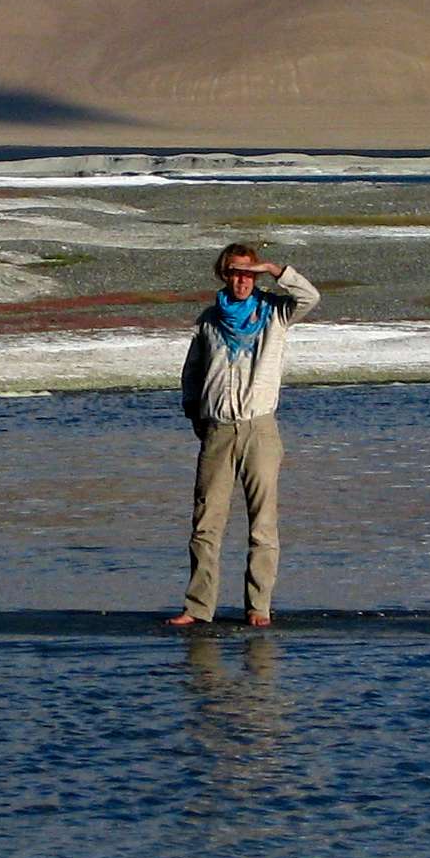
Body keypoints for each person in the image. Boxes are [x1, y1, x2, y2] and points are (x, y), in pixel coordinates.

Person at [165, 242, 319, 627]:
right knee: (205, 523)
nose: (242, 282)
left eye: (249, 274)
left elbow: (310, 296)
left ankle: (258, 607)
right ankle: (198, 608)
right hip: (217, 430)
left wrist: (274, 269)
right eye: (235, 273)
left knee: (262, 523)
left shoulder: (274, 314)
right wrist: (196, 415)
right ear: (224, 275)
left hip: (260, 430)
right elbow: (192, 374)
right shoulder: (209, 320)